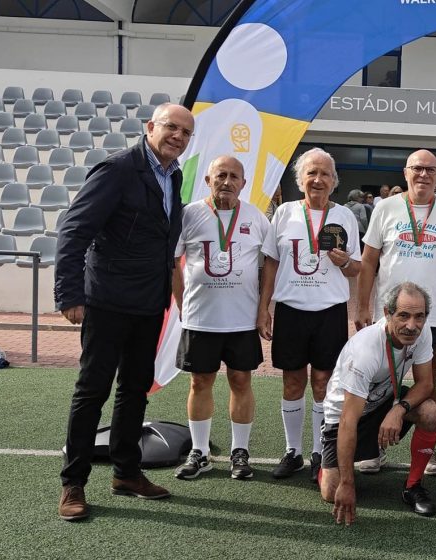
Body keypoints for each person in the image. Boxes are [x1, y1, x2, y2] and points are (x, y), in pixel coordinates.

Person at [54, 103, 194, 521]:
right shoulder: (117, 170)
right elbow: (73, 230)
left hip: (149, 304)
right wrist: (69, 294)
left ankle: (126, 473)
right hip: (108, 301)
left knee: (135, 390)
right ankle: (73, 483)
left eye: (186, 133)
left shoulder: (174, 175)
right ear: (151, 127)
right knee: (92, 391)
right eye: (172, 127)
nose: (178, 137)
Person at [356, 149, 436, 475]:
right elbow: (368, 261)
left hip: (428, 317)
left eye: (430, 170)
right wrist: (362, 306)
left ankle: (426, 451)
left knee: (426, 384)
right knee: (377, 384)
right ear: (406, 173)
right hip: (387, 315)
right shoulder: (385, 209)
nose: (423, 175)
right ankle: (372, 449)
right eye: (417, 168)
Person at [259, 147, 362, 482]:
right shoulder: (285, 213)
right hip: (291, 309)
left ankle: (320, 452)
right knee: (291, 381)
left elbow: (356, 268)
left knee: (323, 382)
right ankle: (293, 452)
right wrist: (265, 307)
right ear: (300, 180)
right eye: (311, 173)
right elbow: (271, 264)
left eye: (325, 174)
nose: (318, 179)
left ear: (334, 182)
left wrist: (344, 261)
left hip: (330, 310)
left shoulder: (345, 216)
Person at [171, 156, 271, 481]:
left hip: (242, 321)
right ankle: (199, 452)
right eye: (220, 175)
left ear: (244, 183)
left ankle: (239, 452)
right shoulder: (189, 215)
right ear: (208, 180)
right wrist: (181, 305)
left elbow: (270, 264)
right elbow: (174, 263)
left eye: (234, 176)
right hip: (201, 319)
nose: (227, 181)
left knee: (241, 382)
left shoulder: (256, 217)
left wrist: (262, 309)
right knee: (200, 381)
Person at [321, 282, 436, 522]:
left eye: (419, 316)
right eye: (403, 316)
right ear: (387, 313)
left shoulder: (422, 332)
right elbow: (347, 420)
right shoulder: (365, 349)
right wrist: (347, 483)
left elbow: (426, 383)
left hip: (385, 403)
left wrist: (398, 410)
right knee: (332, 492)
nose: (411, 325)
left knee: (429, 411)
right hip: (344, 418)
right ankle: (326, 467)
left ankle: (413, 485)